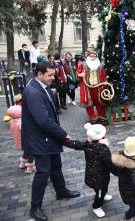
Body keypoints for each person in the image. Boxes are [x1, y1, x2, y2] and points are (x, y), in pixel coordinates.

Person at [21, 61, 80, 221]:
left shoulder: (43, 87)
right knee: (43, 172)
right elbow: (43, 120)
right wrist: (63, 134)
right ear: (39, 74)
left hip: (48, 137)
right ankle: (35, 207)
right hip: (40, 139)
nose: (53, 78)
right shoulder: (33, 92)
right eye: (50, 75)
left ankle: (61, 191)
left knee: (56, 166)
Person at [63, 123, 113, 218]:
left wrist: (65, 141)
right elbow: (109, 163)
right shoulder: (103, 148)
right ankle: (96, 206)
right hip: (100, 178)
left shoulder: (87, 144)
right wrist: (119, 172)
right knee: (99, 192)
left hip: (92, 175)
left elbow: (76, 144)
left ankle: (103, 195)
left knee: (102, 189)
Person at [111, 136, 135, 221]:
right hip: (130, 191)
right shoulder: (131, 165)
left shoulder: (133, 157)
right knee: (134, 207)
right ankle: (127, 217)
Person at [77, 51, 109, 125]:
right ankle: (92, 117)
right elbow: (77, 73)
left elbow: (103, 75)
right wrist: (80, 74)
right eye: (91, 56)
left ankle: (101, 116)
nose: (93, 58)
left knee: (99, 101)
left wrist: (104, 81)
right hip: (87, 87)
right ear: (88, 57)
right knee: (89, 103)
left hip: (98, 86)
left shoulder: (100, 65)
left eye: (94, 56)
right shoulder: (83, 64)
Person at [7, 105, 36, 173]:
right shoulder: (20, 124)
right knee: (31, 153)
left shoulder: (13, 122)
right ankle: (29, 167)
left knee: (26, 151)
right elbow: (27, 131)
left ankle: (22, 163)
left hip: (19, 142)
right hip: (26, 141)